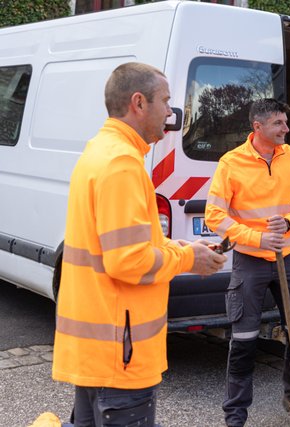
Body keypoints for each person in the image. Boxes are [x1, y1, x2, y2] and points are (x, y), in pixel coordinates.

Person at [52, 62, 227, 427]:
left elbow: (121, 245)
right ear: (138, 102)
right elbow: (127, 262)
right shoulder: (122, 164)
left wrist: (170, 244)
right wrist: (186, 258)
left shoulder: (105, 150)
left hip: (101, 347)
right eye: (164, 101)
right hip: (121, 354)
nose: (171, 111)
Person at [205, 98, 290, 427]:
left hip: (289, 258)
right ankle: (235, 417)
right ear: (258, 127)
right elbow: (214, 215)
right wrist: (256, 238)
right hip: (250, 261)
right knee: (244, 342)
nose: (286, 128)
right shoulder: (231, 163)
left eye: (285, 122)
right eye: (279, 123)